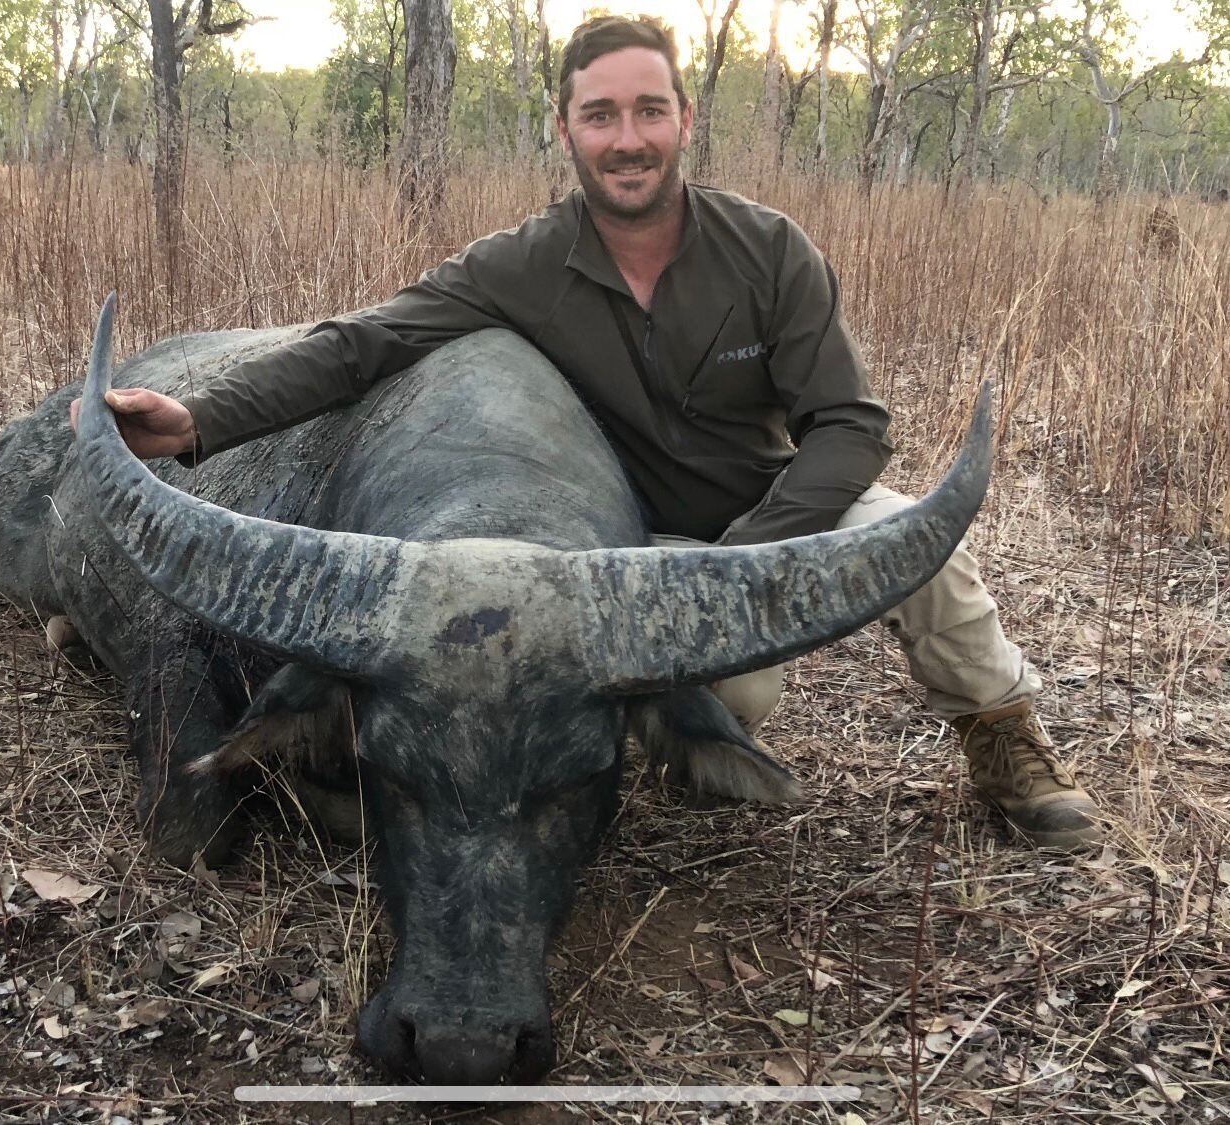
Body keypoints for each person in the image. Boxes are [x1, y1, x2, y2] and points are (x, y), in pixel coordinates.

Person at [70, 15, 1105, 851]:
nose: (626, 138)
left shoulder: (767, 248)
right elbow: (361, 346)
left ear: (683, 120)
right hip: (622, 537)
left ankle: (1003, 739)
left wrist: (753, 556)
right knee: (728, 690)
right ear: (564, 129)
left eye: (647, 110)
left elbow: (847, 424)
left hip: (777, 506)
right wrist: (200, 419)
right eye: (599, 114)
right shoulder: (515, 264)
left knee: (925, 547)